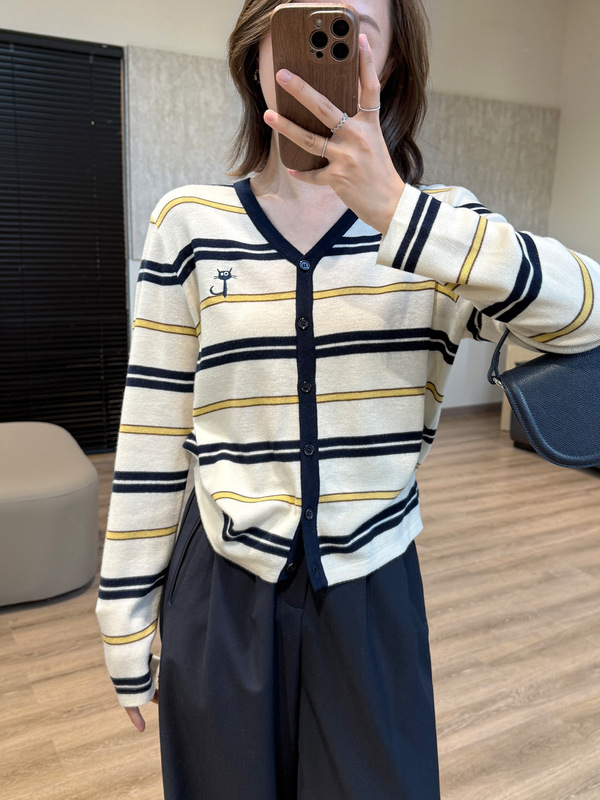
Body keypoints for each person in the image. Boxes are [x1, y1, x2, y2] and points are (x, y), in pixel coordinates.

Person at [95, 0, 600, 797]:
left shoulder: (442, 228)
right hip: (222, 586)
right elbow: (153, 429)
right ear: (259, 49)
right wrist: (124, 613)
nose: (326, 43)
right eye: (300, 18)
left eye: (354, 24)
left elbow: (589, 310)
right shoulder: (187, 225)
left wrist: (400, 213)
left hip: (373, 589)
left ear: (391, 58)